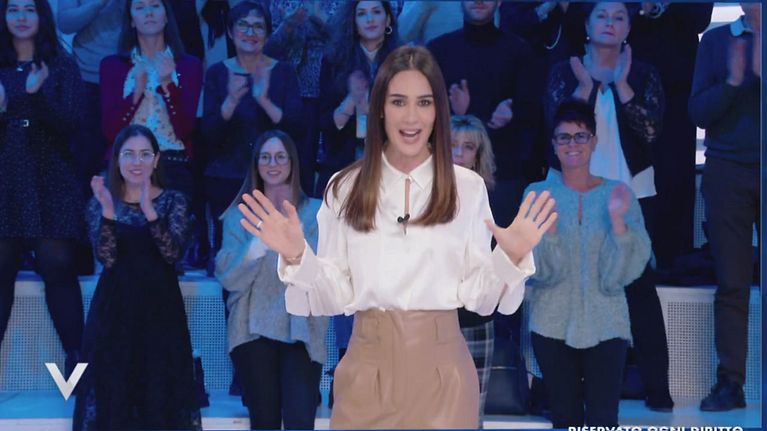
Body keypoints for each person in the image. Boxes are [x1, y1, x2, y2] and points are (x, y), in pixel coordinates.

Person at [238, 45, 557, 429]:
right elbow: (333, 294)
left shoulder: (467, 188)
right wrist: (297, 257)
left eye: (424, 102)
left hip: (443, 372)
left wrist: (510, 258)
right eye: (398, 101)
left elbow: (480, 296)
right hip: (367, 368)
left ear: (438, 111)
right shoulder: (345, 187)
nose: (411, 116)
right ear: (379, 109)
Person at [543, 2, 673, 412]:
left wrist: (623, 85)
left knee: (638, 287)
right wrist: (585, 86)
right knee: (569, 282)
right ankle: (570, 389)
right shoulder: (566, 70)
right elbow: (556, 126)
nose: (610, 23)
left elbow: (651, 131)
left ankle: (657, 390)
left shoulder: (643, 72)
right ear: (587, 24)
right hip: (572, 192)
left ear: (629, 27)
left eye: (619, 17)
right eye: (602, 16)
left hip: (628, 192)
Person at [527, 99, 650, 428]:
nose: (573, 144)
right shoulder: (537, 195)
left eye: (580, 136)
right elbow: (540, 272)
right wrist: (550, 234)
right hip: (551, 324)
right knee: (564, 417)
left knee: (603, 419)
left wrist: (618, 225)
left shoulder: (619, 193)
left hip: (607, 324)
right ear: (554, 144)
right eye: (564, 137)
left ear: (593, 141)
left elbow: (620, 276)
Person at [72, 125, 201, 431]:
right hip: (114, 313)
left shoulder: (174, 200)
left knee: (160, 396)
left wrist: (149, 212)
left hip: (161, 312)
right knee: (111, 397)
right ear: (117, 159)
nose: (136, 161)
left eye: (144, 154)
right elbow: (107, 258)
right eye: (129, 154)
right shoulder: (101, 200)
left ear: (156, 160)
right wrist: (108, 211)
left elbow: (172, 254)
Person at [216, 129, 328, 430]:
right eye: (265, 157)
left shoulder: (317, 213)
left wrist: (290, 244)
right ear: (256, 164)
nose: (272, 163)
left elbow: (322, 276)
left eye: (280, 156)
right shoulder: (238, 216)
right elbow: (229, 280)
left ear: (292, 162)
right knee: (263, 422)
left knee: (299, 421)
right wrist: (254, 250)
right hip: (251, 330)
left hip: (303, 330)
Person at [0, 0, 85, 374]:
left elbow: (72, 125)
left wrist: (36, 97)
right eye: (13, 9)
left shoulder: (62, 65)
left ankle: (79, 370)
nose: (21, 17)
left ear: (42, 16)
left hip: (51, 175)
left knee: (58, 264)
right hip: (6, 175)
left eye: (29, 9)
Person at [688, 2, 760, 412]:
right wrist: (733, 83)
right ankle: (730, 383)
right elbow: (698, 112)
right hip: (727, 172)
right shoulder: (716, 41)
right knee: (732, 283)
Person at [201, 0, 301, 265]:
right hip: (226, 177)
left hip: (274, 178)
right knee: (230, 257)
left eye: (258, 27)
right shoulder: (217, 73)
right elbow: (208, 135)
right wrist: (231, 101)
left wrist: (264, 100)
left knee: (273, 258)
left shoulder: (283, 72)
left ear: (267, 34)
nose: (250, 32)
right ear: (231, 32)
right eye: (243, 26)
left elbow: (296, 129)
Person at [100, 0, 203, 198]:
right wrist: (136, 94)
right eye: (140, 7)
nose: (148, 12)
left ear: (166, 16)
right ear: (131, 20)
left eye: (155, 6)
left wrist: (168, 85)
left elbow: (185, 130)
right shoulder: (112, 66)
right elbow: (110, 131)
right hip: (126, 163)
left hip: (172, 161)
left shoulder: (189, 65)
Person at [315, 0, 400, 195]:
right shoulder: (334, 61)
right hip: (342, 160)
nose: (370, 19)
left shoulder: (401, 61)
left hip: (389, 162)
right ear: (353, 22)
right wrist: (352, 99)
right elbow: (324, 122)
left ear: (388, 20)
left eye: (376, 12)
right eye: (361, 14)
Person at [450, 114, 496, 421]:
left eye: (468, 147)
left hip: (475, 319)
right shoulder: (418, 195)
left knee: (470, 415)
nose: (459, 154)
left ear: (478, 155)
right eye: (452, 145)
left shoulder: (492, 199)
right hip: (430, 319)